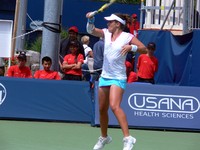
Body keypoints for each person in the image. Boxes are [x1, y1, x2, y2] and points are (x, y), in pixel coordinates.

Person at [86, 12, 146, 150]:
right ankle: (104, 137)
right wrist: (90, 20)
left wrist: (132, 47)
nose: (107, 24)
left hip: (118, 77)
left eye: (110, 22)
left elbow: (144, 49)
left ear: (118, 24)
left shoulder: (127, 37)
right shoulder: (106, 33)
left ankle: (128, 138)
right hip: (105, 76)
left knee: (114, 106)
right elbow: (91, 30)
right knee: (102, 109)